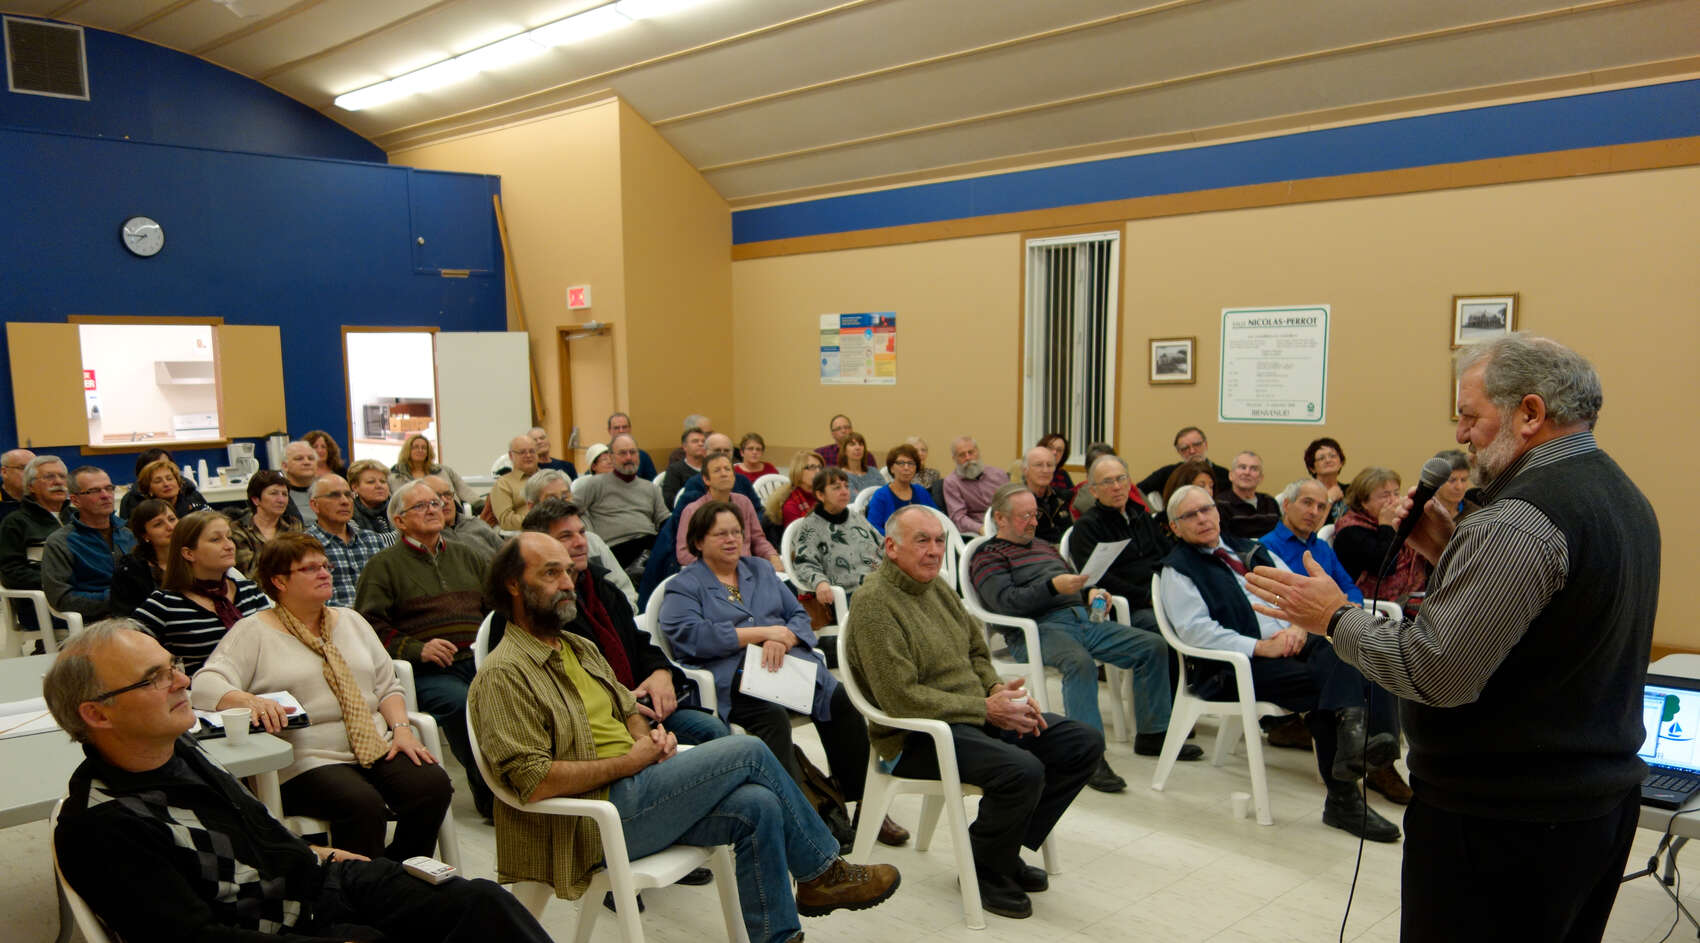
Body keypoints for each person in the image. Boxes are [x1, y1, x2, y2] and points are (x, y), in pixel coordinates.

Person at [1245, 335, 1657, 942]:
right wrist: (1450, 548)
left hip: (1502, 822)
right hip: (1589, 806)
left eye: (1470, 416)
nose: (1461, 435)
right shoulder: (1623, 495)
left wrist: (1334, 616)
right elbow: (1547, 617)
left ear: (1531, 412)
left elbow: (1436, 672)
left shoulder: (1517, 520)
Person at [469, 533, 901, 943]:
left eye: (568, 572)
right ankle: (822, 873)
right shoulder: (504, 673)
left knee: (760, 805)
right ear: (512, 585)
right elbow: (534, 781)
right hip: (587, 823)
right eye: (550, 573)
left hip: (635, 791)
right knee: (749, 750)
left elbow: (625, 708)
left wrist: (650, 742)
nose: (568, 584)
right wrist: (632, 761)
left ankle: (780, 936)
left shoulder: (578, 648)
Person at [46, 622, 551, 943]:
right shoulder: (101, 824)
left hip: (314, 887)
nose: (181, 680)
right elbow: (193, 938)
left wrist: (328, 857)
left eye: (173, 665)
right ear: (97, 714)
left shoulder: (181, 751)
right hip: (279, 923)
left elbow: (262, 836)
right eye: (153, 678)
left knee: (478, 901)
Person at [846, 505, 1104, 919]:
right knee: (1022, 770)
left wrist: (997, 689)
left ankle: (997, 848)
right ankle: (984, 869)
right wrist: (986, 708)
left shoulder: (938, 587)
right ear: (891, 548)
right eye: (921, 541)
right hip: (916, 735)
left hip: (972, 716)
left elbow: (976, 651)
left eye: (939, 540)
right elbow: (899, 698)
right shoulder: (874, 602)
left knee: (1080, 743)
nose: (933, 551)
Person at [1158, 484, 1401, 842]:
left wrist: (1298, 627)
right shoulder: (1177, 569)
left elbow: (1299, 589)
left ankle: (1351, 759)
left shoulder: (1250, 549)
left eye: (1206, 509)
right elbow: (1194, 631)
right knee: (1329, 685)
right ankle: (1350, 782)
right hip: (1235, 668)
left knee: (1356, 651)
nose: (1202, 519)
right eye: (1189, 515)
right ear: (1175, 527)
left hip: (1294, 644)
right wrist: (1259, 647)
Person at [660, 501, 909, 847]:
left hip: (787, 668)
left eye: (736, 532)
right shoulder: (685, 585)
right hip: (737, 678)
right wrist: (762, 634)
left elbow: (798, 616)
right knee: (771, 718)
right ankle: (798, 819)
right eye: (721, 534)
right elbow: (689, 636)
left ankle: (867, 807)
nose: (732, 540)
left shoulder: (760, 570)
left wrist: (787, 636)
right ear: (699, 541)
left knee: (841, 701)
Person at [194, 532, 453, 861]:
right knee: (363, 805)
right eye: (310, 568)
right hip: (306, 757)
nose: (324, 573)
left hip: (376, 743)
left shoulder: (351, 620)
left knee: (431, 786)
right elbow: (205, 684)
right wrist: (251, 701)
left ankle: (398, 875)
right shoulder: (254, 631)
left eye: (325, 565)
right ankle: (357, 892)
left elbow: (387, 685)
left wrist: (402, 729)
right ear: (279, 581)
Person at [969, 482, 1197, 793]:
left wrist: (1090, 592)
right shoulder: (988, 555)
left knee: (1152, 646)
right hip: (1038, 629)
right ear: (1001, 518)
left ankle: (1153, 734)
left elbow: (1072, 583)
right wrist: (1052, 587)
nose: (1034, 522)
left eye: (1035, 515)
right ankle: (1088, 755)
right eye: (1025, 516)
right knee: (1080, 663)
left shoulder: (1045, 547)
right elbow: (1005, 602)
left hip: (1081, 620)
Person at [521, 498, 728, 745]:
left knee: (715, 731)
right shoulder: (536, 609)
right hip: (596, 729)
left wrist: (660, 672)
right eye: (566, 536)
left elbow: (638, 641)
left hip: (643, 708)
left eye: (582, 532)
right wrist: (621, 704)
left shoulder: (601, 588)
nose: (580, 542)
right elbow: (553, 693)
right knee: (745, 754)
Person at [355, 480, 495, 818]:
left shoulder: (468, 555)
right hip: (426, 671)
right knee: (464, 705)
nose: (433, 509)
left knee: (516, 693)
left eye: (437, 502)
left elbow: (497, 607)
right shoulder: (383, 566)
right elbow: (367, 626)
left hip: (479, 659)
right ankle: (494, 800)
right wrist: (418, 648)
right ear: (399, 521)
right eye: (421, 506)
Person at [131, 510, 271, 673]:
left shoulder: (250, 589)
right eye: (215, 539)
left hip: (262, 688)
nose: (229, 546)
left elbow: (272, 642)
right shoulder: (164, 604)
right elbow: (128, 649)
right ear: (189, 553)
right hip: (200, 693)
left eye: (229, 537)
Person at [1067, 455, 1170, 630]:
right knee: (1162, 624)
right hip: (1127, 606)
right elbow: (1097, 578)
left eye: (1121, 479)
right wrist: (1147, 597)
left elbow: (1168, 553)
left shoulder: (1141, 516)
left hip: (1162, 594)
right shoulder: (1087, 527)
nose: (1116, 487)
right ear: (1093, 491)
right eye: (1107, 482)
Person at [43, 466, 136, 621]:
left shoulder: (127, 534)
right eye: (94, 491)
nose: (105, 495)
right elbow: (61, 598)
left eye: (108, 488)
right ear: (75, 500)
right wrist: (115, 598)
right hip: (96, 620)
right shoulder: (60, 542)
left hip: (137, 613)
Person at [790, 468, 883, 615]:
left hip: (879, 584)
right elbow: (804, 564)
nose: (845, 491)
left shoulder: (855, 516)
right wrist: (820, 582)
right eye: (836, 488)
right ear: (820, 495)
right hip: (849, 594)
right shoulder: (811, 526)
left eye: (846, 486)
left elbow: (881, 545)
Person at [571, 434, 671, 571]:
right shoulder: (594, 484)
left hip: (649, 545)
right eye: (623, 453)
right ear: (611, 458)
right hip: (617, 548)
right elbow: (569, 510)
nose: (629, 457)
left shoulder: (650, 488)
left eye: (633, 452)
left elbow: (665, 520)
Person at [1333, 467, 1431, 604]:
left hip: (1413, 599)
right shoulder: (1349, 531)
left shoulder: (1399, 523)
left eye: (1396, 494)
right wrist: (1386, 526)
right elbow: (1385, 567)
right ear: (1364, 502)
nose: (1393, 501)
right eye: (1385, 496)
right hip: (1376, 607)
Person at [675, 454, 783, 570]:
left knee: (783, 584)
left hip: (747, 569)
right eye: (717, 470)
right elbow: (684, 554)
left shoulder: (744, 502)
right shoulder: (693, 510)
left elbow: (758, 539)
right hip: (714, 572)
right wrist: (720, 564)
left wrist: (772, 556)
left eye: (727, 469)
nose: (724, 474)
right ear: (706, 479)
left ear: (734, 476)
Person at [304, 474, 392, 607]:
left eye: (348, 495)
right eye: (334, 496)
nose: (344, 501)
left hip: (379, 619)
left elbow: (392, 586)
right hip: (333, 622)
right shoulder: (304, 546)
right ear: (315, 505)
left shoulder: (372, 540)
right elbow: (307, 598)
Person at [0, 456, 70, 605]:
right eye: (49, 477)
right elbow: (12, 573)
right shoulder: (16, 522)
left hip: (85, 593)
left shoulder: (77, 517)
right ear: (30, 486)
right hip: (44, 602)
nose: (58, 482)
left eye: (62, 476)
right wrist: (62, 580)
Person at [229, 469, 303, 576]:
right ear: (256, 500)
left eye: (285, 494)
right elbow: (249, 573)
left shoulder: (293, 524)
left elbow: (301, 563)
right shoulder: (239, 529)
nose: (281, 500)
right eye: (274, 494)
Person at [111, 500, 176, 618]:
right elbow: (129, 618)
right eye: (158, 524)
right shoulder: (130, 570)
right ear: (145, 535)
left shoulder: (196, 557)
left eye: (172, 519)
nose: (170, 527)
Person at [1135, 426, 1231, 499]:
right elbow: (1136, 491)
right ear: (1178, 451)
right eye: (1185, 448)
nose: (1192, 451)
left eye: (1197, 445)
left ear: (1206, 445)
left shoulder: (1223, 475)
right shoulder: (1168, 473)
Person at [863, 443, 938, 534]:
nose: (906, 468)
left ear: (916, 468)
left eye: (911, 463)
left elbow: (937, 518)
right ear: (891, 468)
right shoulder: (881, 495)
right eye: (901, 463)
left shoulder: (921, 492)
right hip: (892, 544)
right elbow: (873, 528)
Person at [943, 435, 1009, 535]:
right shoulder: (951, 482)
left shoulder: (999, 475)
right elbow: (958, 518)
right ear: (954, 458)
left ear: (977, 452)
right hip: (976, 533)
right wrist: (981, 529)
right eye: (962, 455)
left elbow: (1011, 504)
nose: (968, 458)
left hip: (1005, 526)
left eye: (971, 452)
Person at [426, 473, 504, 559]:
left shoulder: (475, 524)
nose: (445, 501)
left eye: (447, 494)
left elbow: (507, 553)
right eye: (437, 497)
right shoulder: (430, 537)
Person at [118, 448, 210, 519]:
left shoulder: (192, 495)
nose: (166, 483)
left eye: (169, 478)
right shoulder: (133, 503)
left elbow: (211, 521)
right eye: (158, 480)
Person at [388, 432, 477, 505]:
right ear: (407, 450)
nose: (420, 450)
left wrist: (480, 505)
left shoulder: (444, 471)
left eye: (424, 448)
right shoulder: (394, 476)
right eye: (415, 447)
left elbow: (465, 492)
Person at [1215, 451, 1280, 539]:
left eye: (1254, 469)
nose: (1247, 472)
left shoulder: (1270, 502)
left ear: (1261, 478)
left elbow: (1279, 535)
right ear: (1231, 475)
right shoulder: (1220, 504)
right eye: (1242, 467)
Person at [489, 434, 542, 531]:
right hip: (525, 536)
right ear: (511, 455)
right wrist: (539, 521)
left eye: (532, 451)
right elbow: (506, 521)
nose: (528, 455)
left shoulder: (550, 478)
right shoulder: (503, 484)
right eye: (522, 452)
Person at [1019, 446, 1071, 543]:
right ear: (1025, 470)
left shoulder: (1062, 497)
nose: (1045, 470)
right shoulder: (1017, 500)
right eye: (1039, 465)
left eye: (1050, 465)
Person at [766, 449, 824, 529]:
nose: (818, 471)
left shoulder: (824, 495)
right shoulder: (791, 505)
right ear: (798, 471)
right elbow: (799, 538)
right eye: (812, 467)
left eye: (820, 467)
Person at [1303, 436, 1348, 522]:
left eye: (1332, 456)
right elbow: (1310, 530)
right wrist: (1329, 500)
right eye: (1321, 458)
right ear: (1312, 468)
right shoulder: (1306, 493)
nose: (1328, 460)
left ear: (1341, 462)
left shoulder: (1351, 491)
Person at [661, 427, 708, 508]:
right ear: (684, 446)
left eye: (703, 441)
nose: (701, 444)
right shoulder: (675, 470)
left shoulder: (711, 468)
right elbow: (669, 499)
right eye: (695, 441)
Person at [347, 458, 394, 535]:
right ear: (355, 487)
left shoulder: (399, 510)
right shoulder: (348, 515)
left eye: (383, 481)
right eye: (371, 482)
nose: (379, 486)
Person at [606, 411, 658, 478]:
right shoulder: (602, 455)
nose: (621, 431)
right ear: (609, 430)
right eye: (616, 428)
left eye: (624, 427)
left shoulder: (642, 456)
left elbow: (653, 483)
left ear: (630, 429)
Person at [282, 440, 321, 525]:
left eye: (311, 458)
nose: (306, 462)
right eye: (299, 458)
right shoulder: (278, 496)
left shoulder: (328, 491)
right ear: (285, 466)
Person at [905, 435, 945, 502]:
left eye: (923, 450)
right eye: (916, 450)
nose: (920, 454)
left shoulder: (934, 474)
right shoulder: (903, 473)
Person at [1035, 433, 1076, 498]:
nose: (1054, 452)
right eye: (1050, 448)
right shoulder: (1032, 470)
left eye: (1059, 450)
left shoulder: (1063, 474)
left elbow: (1073, 497)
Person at [1432, 448, 1471, 517]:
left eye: (1463, 480)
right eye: (1451, 480)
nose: (1459, 487)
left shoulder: (1476, 514)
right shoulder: (1419, 511)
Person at [0, 446, 34, 520]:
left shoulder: (45, 498)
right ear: (4, 472)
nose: (30, 473)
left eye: (34, 468)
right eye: (23, 468)